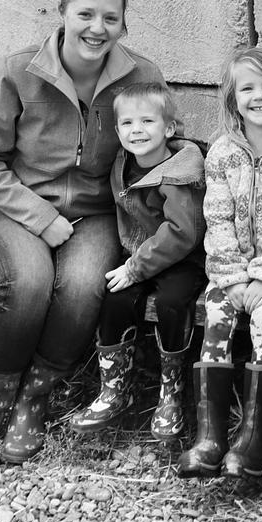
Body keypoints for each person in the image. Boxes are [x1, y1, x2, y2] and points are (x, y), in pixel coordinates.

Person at [0, 0, 164, 469]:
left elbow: (154, 151)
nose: (97, 28)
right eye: (85, 14)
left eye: (110, 18)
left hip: (97, 214)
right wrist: (41, 218)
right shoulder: (17, 70)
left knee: (84, 286)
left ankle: (35, 396)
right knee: (29, 282)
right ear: (62, 11)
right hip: (13, 209)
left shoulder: (141, 74)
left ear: (124, 23)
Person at [178, 45, 262, 479]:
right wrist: (235, 279)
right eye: (247, 88)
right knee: (217, 319)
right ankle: (210, 437)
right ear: (233, 98)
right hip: (231, 274)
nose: (259, 96)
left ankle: (253, 440)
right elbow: (216, 219)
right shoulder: (222, 152)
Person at [69, 82, 206, 440]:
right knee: (114, 296)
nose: (137, 130)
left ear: (169, 128)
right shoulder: (123, 162)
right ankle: (115, 389)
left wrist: (134, 268)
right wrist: (130, 264)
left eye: (147, 121)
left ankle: (171, 392)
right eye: (127, 123)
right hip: (139, 251)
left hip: (182, 257)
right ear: (117, 132)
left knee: (172, 301)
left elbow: (183, 232)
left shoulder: (180, 171)